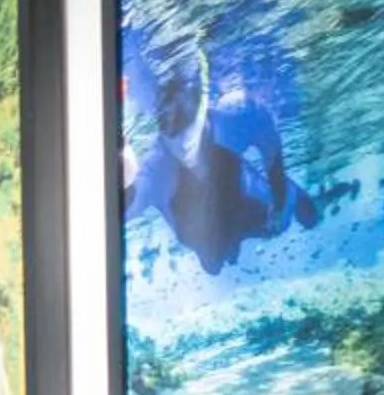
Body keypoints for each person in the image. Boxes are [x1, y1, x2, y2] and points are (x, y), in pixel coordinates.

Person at [125, 48, 321, 275]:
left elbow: (267, 137)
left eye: (186, 125)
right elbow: (126, 207)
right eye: (172, 129)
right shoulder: (156, 166)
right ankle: (224, 245)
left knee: (278, 224)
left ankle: (292, 193)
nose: (182, 143)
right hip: (199, 225)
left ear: (202, 107)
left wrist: (280, 190)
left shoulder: (232, 121)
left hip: (237, 196)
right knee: (212, 265)